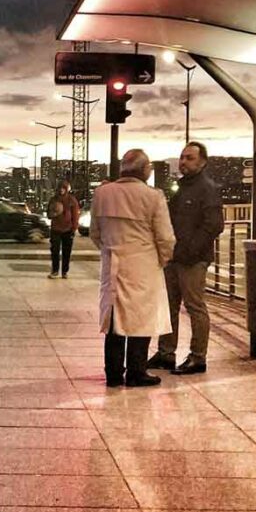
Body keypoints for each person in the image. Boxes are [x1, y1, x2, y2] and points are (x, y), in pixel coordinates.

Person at [90, 150, 175, 387]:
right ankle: (137, 372)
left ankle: (113, 373)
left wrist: (109, 249)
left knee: (114, 320)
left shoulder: (102, 193)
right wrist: (162, 259)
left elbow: (95, 233)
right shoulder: (153, 197)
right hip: (143, 266)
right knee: (141, 319)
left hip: (113, 264)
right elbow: (165, 238)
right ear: (144, 170)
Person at [148, 141, 224, 375]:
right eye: (182, 157)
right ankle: (166, 353)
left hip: (193, 259)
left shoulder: (206, 188)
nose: (183, 162)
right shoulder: (182, 188)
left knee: (195, 307)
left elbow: (214, 225)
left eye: (189, 158)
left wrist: (190, 250)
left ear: (202, 162)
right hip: (175, 258)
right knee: (169, 306)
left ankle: (198, 357)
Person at [47, 180, 80, 278]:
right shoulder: (53, 200)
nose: (61, 190)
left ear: (67, 189)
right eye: (60, 188)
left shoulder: (72, 200)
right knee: (55, 251)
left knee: (67, 252)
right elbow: (49, 213)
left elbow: (75, 215)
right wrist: (54, 213)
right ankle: (55, 271)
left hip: (68, 229)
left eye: (63, 188)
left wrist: (74, 228)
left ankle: (65, 272)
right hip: (56, 229)